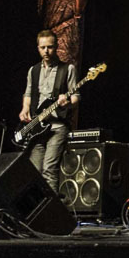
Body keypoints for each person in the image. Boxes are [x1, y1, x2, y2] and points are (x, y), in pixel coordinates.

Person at [19, 29, 79, 193]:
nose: (46, 51)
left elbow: (76, 97)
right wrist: (25, 108)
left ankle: (52, 208)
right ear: (38, 48)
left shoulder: (67, 69)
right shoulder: (33, 70)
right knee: (34, 171)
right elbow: (28, 93)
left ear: (56, 47)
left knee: (49, 170)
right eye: (43, 47)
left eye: (50, 47)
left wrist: (66, 103)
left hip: (57, 127)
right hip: (37, 127)